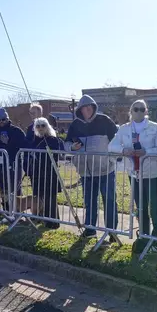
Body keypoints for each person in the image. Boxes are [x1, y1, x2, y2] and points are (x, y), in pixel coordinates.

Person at [109, 99, 157, 253]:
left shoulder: (155, 128)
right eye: (136, 109)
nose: (139, 111)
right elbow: (111, 146)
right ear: (131, 111)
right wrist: (123, 151)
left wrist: (146, 152)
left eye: (142, 109)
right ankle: (144, 236)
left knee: (154, 207)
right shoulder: (124, 129)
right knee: (141, 207)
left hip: (153, 173)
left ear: (146, 111)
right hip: (134, 174)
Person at [65, 95, 119, 241]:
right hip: (86, 172)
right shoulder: (75, 125)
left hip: (105, 170)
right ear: (80, 110)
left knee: (109, 200)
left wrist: (111, 160)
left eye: (90, 107)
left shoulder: (105, 121)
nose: (87, 110)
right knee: (89, 201)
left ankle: (112, 232)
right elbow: (66, 144)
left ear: (94, 107)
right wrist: (72, 147)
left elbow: (117, 141)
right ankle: (90, 230)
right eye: (84, 108)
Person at [0, 108, 27, 211]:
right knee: (2, 187)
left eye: (3, 119)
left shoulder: (16, 131)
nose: (1, 122)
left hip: (14, 164)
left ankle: (17, 211)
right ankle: (6, 209)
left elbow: (24, 146)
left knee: (15, 187)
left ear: (7, 119)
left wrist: (8, 142)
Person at [28, 117, 63, 229]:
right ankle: (44, 220)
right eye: (38, 126)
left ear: (47, 126)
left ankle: (53, 223)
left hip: (49, 172)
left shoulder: (52, 139)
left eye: (43, 125)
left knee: (50, 198)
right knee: (41, 197)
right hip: (37, 173)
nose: (40, 128)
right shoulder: (34, 140)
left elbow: (56, 156)